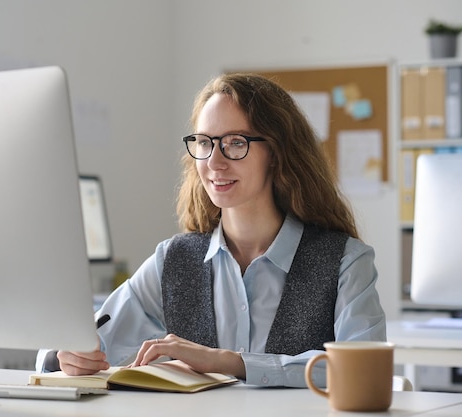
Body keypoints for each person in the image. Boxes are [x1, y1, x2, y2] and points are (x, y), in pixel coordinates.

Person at [36, 72, 386, 387]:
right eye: (204, 143)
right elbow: (75, 344)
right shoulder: (173, 260)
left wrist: (230, 362)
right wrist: (63, 356)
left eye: (235, 142)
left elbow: (365, 372)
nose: (214, 162)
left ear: (277, 153)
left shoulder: (345, 261)